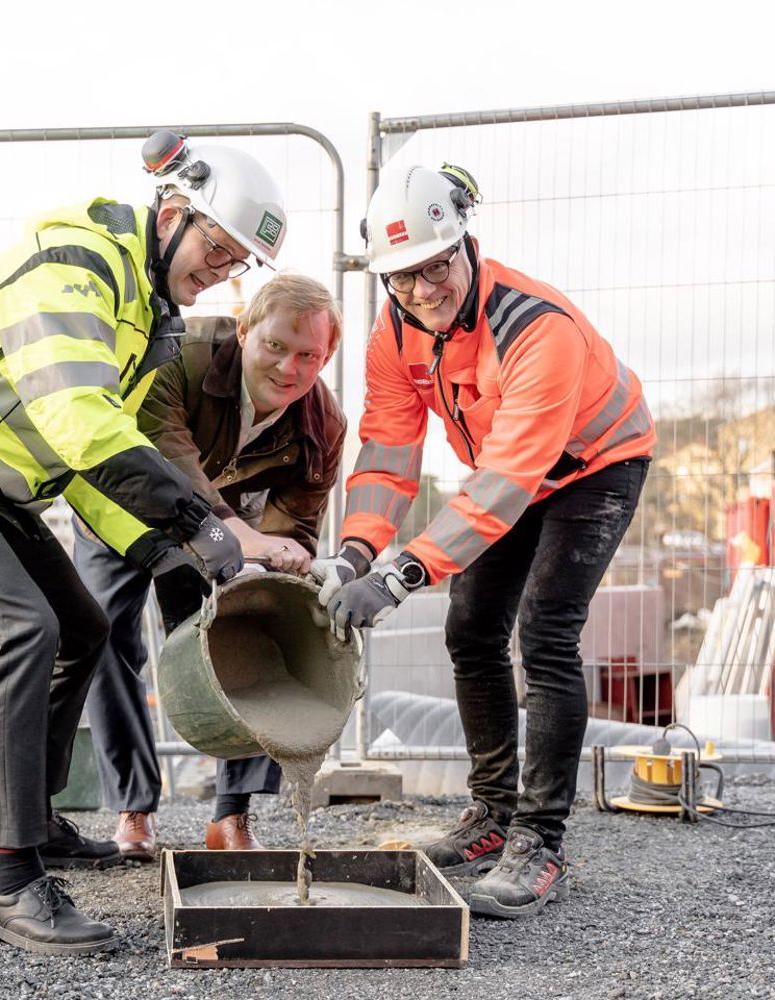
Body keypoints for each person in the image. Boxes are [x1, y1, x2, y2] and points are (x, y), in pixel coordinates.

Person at [0, 132, 287, 955]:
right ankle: (10, 883)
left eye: (236, 264)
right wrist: (199, 522)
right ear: (175, 212)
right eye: (218, 248)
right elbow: (78, 420)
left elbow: (85, 464)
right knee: (20, 631)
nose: (221, 270)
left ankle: (33, 823)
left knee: (83, 629)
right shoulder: (75, 258)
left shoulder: (147, 311)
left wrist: (160, 550)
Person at [310, 163, 654, 920]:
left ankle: (539, 839)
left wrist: (401, 574)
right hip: (512, 469)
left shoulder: (538, 329)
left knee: (547, 632)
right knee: (471, 630)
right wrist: (356, 552)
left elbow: (503, 485)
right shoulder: (395, 330)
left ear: (467, 242)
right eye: (402, 278)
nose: (424, 289)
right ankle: (492, 815)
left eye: (437, 265)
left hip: (595, 465)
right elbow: (389, 448)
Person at [73, 272, 345, 858]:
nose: (289, 369)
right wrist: (240, 534)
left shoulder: (323, 424)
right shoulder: (181, 353)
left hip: (224, 531)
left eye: (308, 356)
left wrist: (282, 564)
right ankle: (135, 807)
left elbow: (294, 526)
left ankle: (232, 815)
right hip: (125, 504)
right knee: (106, 639)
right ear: (244, 329)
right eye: (275, 346)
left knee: (245, 632)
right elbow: (169, 460)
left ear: (326, 357)